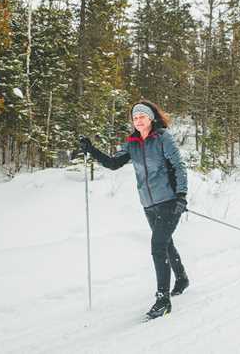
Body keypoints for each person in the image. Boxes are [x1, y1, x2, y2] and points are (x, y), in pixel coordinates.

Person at [79, 100, 189, 320]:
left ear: (151, 118)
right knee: (165, 243)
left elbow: (178, 166)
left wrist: (181, 196)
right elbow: (113, 163)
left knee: (158, 247)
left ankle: (163, 299)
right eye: (135, 117)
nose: (138, 120)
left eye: (142, 116)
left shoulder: (163, 138)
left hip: (169, 201)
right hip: (148, 204)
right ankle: (182, 278)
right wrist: (91, 150)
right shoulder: (132, 144)